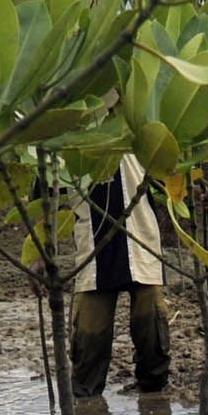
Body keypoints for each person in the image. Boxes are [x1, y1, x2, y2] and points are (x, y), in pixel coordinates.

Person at [70, 157, 169, 398]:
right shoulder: (70, 129)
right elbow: (44, 192)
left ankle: (155, 405)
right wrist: (37, 253)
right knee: (88, 344)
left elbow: (171, 174)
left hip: (141, 240)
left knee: (152, 334)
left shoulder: (140, 126)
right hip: (92, 251)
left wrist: (196, 191)